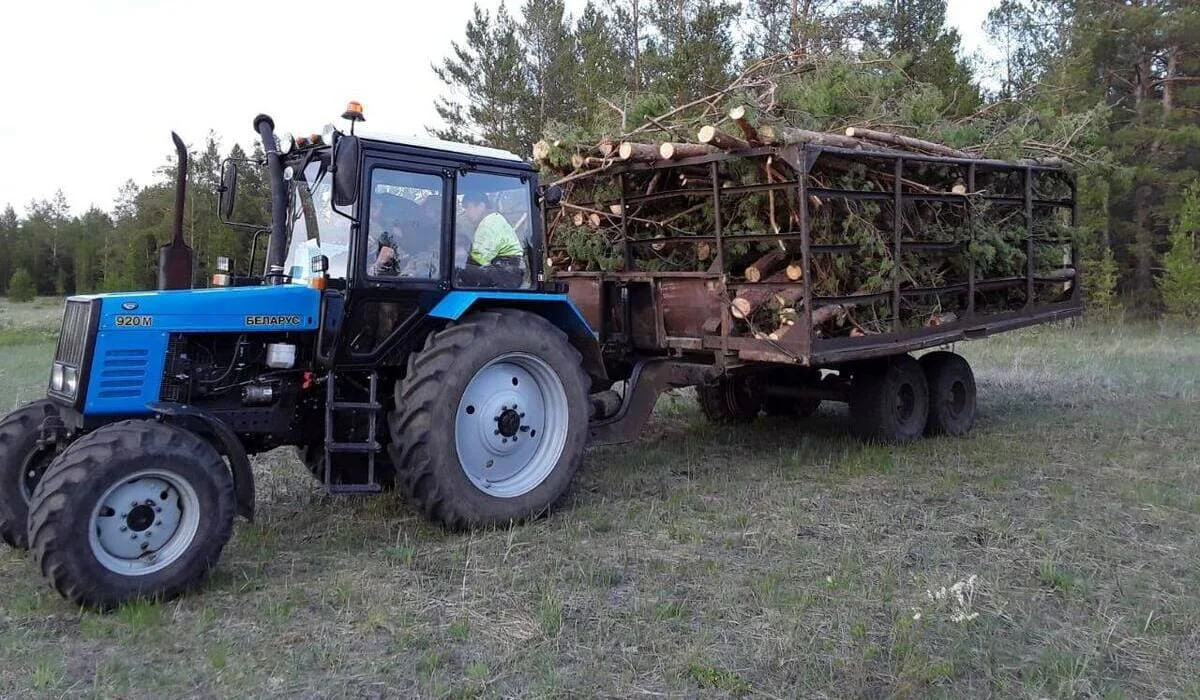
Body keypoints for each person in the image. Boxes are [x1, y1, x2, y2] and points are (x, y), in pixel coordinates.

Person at [456, 189, 526, 288]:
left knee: (457, 269)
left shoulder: (487, 224)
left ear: (481, 206)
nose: (467, 213)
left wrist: (459, 256)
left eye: (468, 208)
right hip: (511, 270)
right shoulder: (496, 219)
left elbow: (479, 258)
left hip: (505, 272)